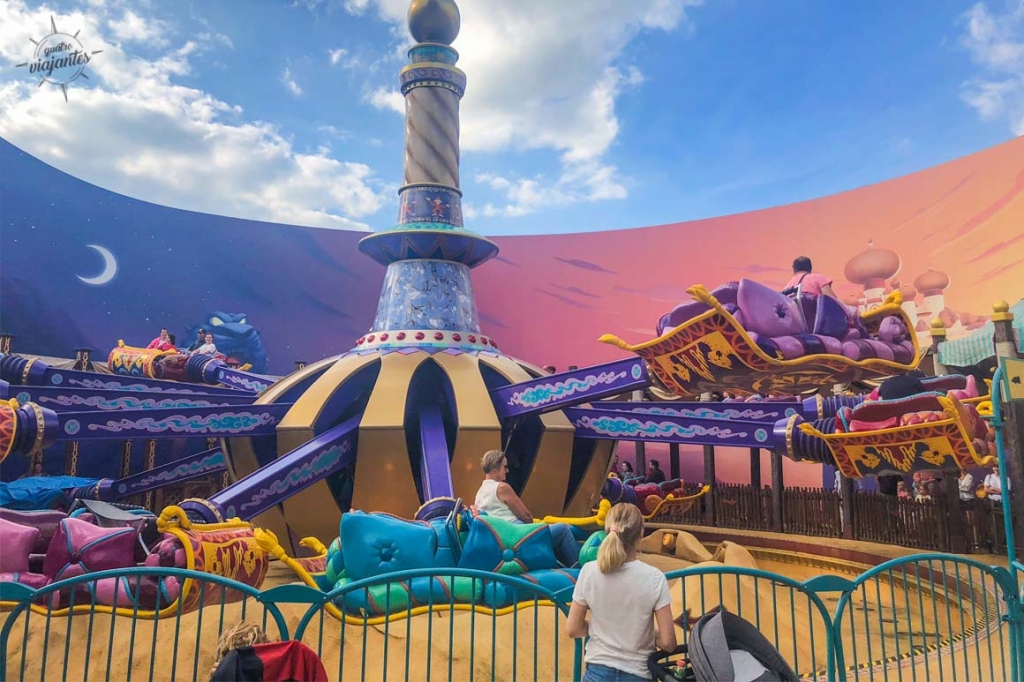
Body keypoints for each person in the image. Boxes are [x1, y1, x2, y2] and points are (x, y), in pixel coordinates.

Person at [566, 503, 676, 681]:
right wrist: (644, 634)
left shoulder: (589, 571)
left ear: (607, 529)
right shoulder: (654, 578)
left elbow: (573, 629)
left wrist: (597, 630)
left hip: (597, 673)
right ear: (640, 534)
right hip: (638, 673)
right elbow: (669, 643)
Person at [474, 450, 580, 567]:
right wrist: (533, 528)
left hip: (503, 538)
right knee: (563, 529)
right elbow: (526, 516)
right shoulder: (502, 487)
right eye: (504, 467)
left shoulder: (480, 492)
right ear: (494, 469)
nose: (507, 470)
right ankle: (578, 569)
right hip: (519, 537)